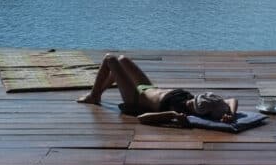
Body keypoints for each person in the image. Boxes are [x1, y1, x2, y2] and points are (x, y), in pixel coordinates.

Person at [77, 54, 238, 126]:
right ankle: (99, 92)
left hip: (136, 97)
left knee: (110, 59)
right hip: (149, 87)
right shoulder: (202, 102)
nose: (191, 101)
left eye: (193, 104)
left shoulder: (180, 112)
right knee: (122, 59)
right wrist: (231, 113)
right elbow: (232, 100)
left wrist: (171, 115)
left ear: (199, 111)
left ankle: (94, 96)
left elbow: (143, 118)